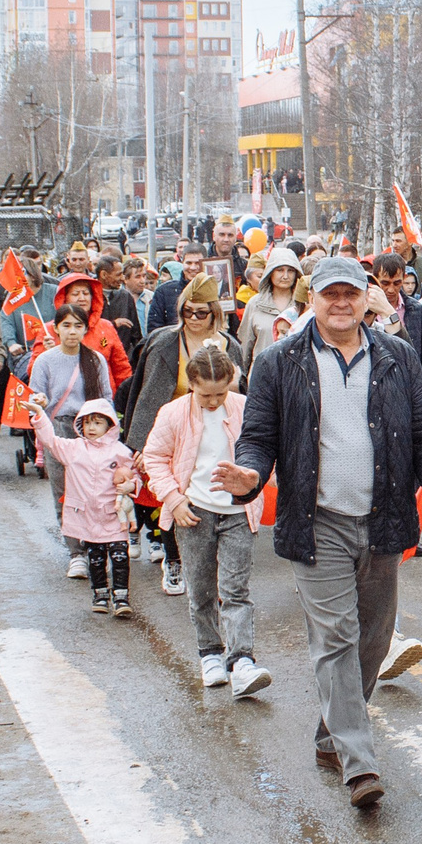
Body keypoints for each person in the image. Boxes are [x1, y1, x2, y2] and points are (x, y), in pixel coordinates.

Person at [218, 255, 422, 810]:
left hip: (384, 518)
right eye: (329, 294)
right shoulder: (277, 362)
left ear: (366, 298)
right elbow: (258, 437)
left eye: (350, 294)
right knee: (335, 638)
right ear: (310, 299)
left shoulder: (398, 356)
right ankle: (359, 762)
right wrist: (250, 476)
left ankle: (331, 731)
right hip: (316, 524)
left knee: (373, 637)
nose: (340, 303)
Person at [142, 341, 270, 697]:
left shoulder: (245, 408)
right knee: (200, 586)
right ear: (191, 386)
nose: (214, 402)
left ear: (232, 382)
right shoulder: (173, 413)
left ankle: (242, 659)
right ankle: (210, 653)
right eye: (205, 395)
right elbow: (154, 458)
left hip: (239, 511)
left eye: (220, 393)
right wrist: (173, 498)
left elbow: (263, 451)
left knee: (236, 588)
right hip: (194, 510)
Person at [119, 274, 242, 593]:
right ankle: (173, 561)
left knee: (212, 498)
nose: (194, 318)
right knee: (174, 494)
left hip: (217, 431)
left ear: (215, 312)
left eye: (202, 312)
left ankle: (211, 564)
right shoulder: (162, 342)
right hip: (172, 427)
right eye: (188, 311)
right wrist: (140, 444)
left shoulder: (231, 346)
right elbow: (144, 394)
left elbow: (243, 397)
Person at [30, 396, 137, 616]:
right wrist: (39, 416)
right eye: (87, 422)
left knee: (120, 556)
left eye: (98, 422)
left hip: (114, 515)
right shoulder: (74, 449)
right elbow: (50, 440)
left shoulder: (120, 451)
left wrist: (131, 486)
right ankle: (100, 594)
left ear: (109, 425)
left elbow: (134, 475)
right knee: (95, 557)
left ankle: (121, 596)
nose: (91, 428)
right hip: (87, 515)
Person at [27, 308, 115, 575]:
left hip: (89, 428)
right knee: (63, 491)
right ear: (57, 329)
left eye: (78, 325)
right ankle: (75, 552)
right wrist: (39, 402)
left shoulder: (96, 360)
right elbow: (35, 397)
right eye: (66, 325)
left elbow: (106, 398)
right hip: (57, 427)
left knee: (93, 489)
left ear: (86, 329)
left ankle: (95, 544)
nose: (72, 331)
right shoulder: (45, 360)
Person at [50, 273, 134, 392]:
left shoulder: (106, 327)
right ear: (64, 297)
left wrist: (125, 397)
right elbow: (36, 371)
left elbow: (121, 368)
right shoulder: (50, 330)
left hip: (103, 401)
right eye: (75, 294)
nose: (82, 298)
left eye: (85, 293)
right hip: (64, 402)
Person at [238, 249, 305, 374]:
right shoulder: (255, 304)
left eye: (290, 270)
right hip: (262, 375)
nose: (285, 276)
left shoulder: (303, 305)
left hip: (294, 377)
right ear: (270, 272)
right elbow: (245, 345)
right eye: (280, 270)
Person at [150, 245, 208, 333]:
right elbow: (154, 328)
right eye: (188, 263)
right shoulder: (164, 291)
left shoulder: (215, 291)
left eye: (197, 263)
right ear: (182, 263)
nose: (192, 268)